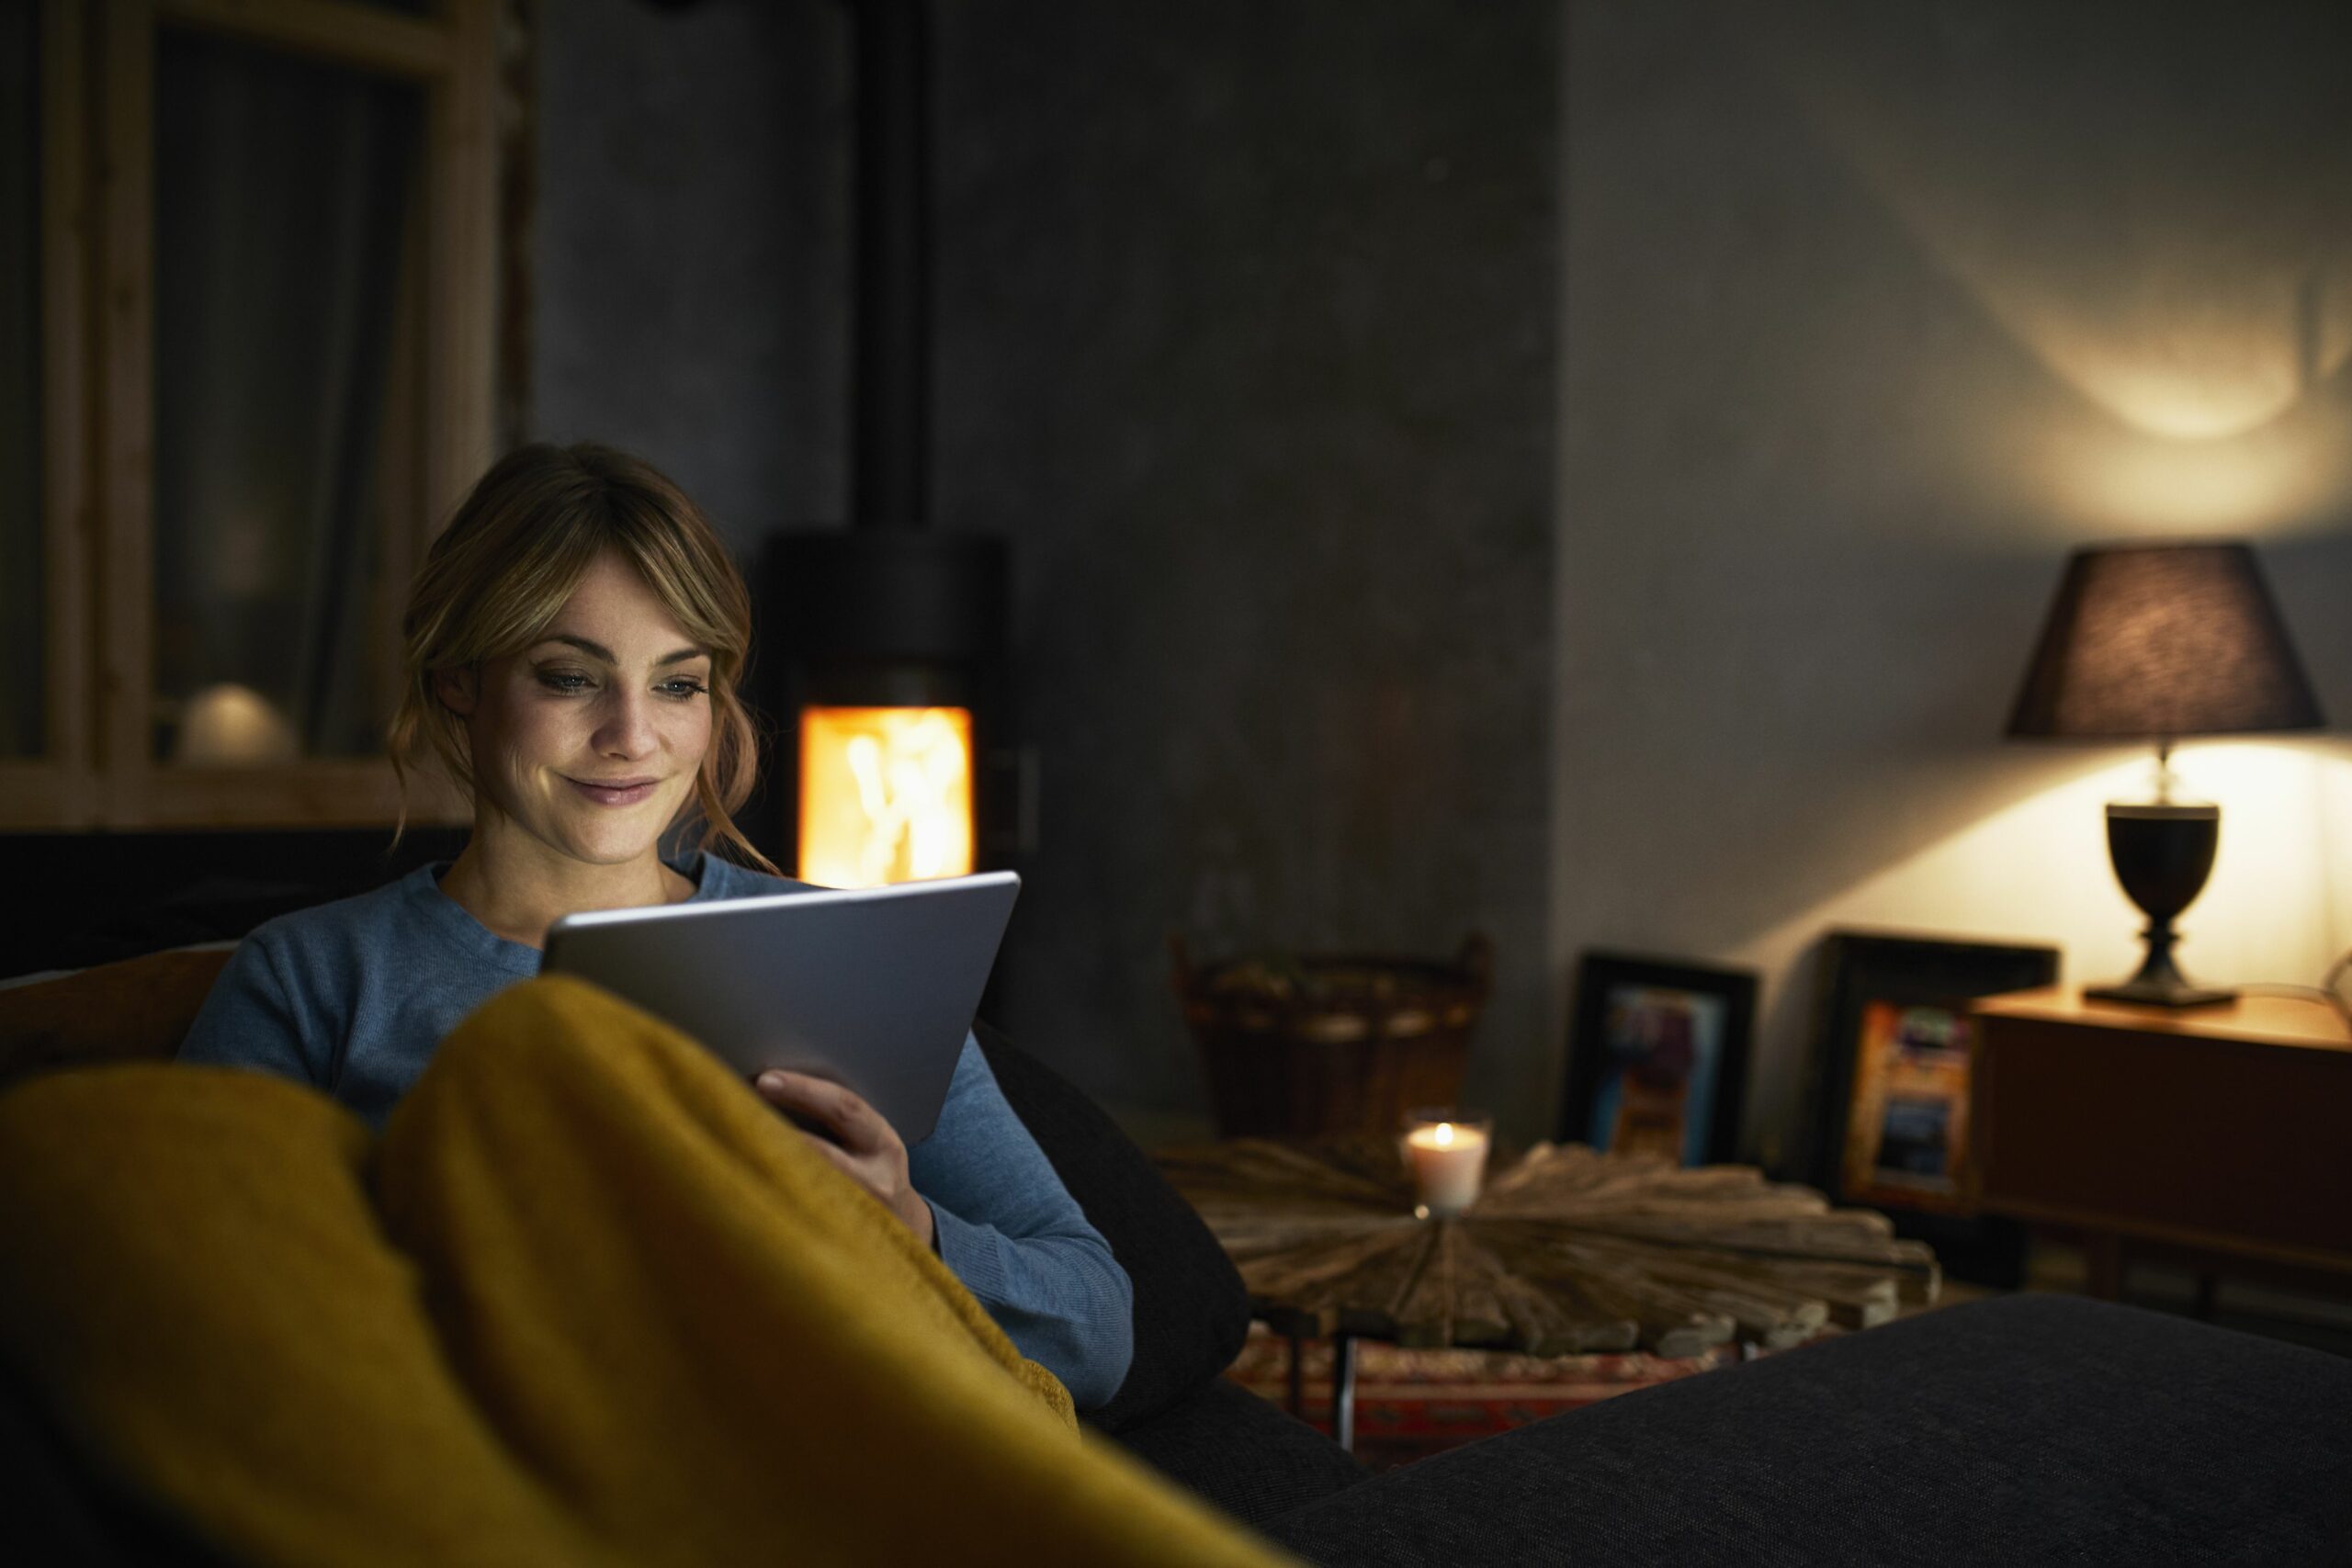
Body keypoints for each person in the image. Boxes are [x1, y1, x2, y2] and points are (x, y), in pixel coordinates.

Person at [179, 442, 1134, 1410]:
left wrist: (910, 1227)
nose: (632, 735)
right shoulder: (313, 977)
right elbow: (192, 1326)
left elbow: (1096, 1330)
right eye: (568, 677)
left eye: (678, 684)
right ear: (459, 681)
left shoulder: (847, 952)